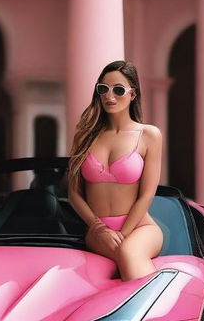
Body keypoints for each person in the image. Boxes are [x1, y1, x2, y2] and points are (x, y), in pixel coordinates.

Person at [67, 60, 164, 281]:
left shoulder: (149, 135)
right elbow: (74, 194)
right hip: (97, 230)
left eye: (119, 90)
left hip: (140, 228)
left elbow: (147, 195)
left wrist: (123, 234)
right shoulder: (84, 135)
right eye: (104, 89)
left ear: (133, 94)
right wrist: (97, 227)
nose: (110, 96)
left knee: (129, 253)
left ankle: (152, 315)